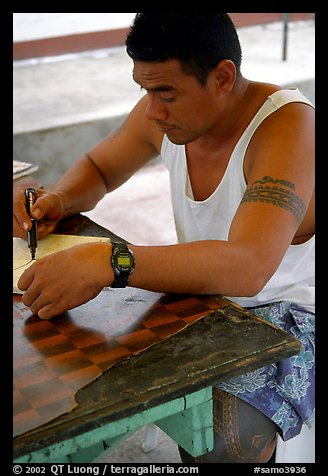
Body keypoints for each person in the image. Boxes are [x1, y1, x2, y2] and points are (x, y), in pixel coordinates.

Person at [13, 14, 314, 463]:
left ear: (223, 77)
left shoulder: (288, 128)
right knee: (60, 364)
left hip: (290, 316)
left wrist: (112, 262)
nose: (152, 110)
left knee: (225, 440)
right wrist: (58, 199)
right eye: (145, 90)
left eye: (166, 93)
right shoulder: (166, 115)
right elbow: (100, 168)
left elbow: (248, 267)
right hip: (206, 300)